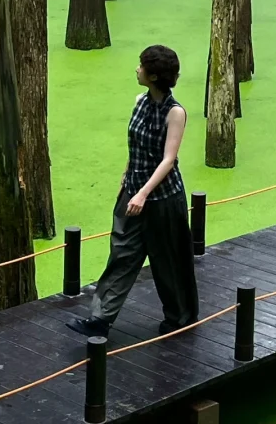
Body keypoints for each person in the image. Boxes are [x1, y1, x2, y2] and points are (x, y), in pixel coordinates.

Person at [67, 45, 199, 339]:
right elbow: (135, 145)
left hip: (163, 199)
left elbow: (169, 160)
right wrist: (126, 180)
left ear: (152, 75)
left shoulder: (175, 113)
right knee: (122, 254)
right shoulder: (139, 101)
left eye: (141, 67)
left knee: (169, 261)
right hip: (133, 192)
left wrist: (143, 194)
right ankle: (100, 318)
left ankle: (180, 318)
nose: (136, 70)